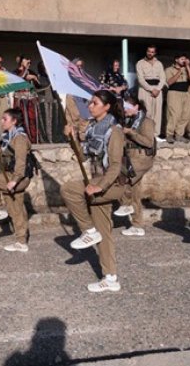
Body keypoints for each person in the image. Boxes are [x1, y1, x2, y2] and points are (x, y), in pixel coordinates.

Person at [61, 89, 129, 293]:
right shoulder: (92, 128)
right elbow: (83, 157)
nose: (90, 106)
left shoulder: (114, 130)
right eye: (90, 102)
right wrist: (72, 139)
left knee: (69, 190)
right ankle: (110, 278)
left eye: (95, 103)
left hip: (112, 183)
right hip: (96, 180)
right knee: (104, 233)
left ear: (107, 107)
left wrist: (100, 186)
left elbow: (116, 165)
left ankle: (88, 230)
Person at [0, 108, 34, 252]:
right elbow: (3, 156)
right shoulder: (8, 136)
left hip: (19, 177)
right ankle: (21, 242)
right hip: (11, 175)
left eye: (5, 119)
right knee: (16, 209)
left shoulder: (20, 138)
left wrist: (15, 180)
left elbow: (21, 162)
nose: (1, 121)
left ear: (14, 121)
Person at [112, 93, 157, 236]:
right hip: (131, 158)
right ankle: (137, 225)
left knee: (121, 178)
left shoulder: (146, 122)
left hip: (142, 159)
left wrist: (131, 133)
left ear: (136, 106)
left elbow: (148, 142)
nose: (125, 110)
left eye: (127, 107)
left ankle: (126, 205)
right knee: (135, 191)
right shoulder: (129, 121)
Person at [136, 45, 165, 137]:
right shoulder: (140, 63)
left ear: (155, 53)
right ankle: (145, 134)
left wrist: (158, 89)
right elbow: (140, 79)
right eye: (149, 51)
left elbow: (163, 78)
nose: (150, 53)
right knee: (147, 112)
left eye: (152, 52)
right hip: (145, 90)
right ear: (146, 51)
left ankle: (155, 135)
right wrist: (151, 89)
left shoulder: (159, 64)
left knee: (157, 113)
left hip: (158, 90)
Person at [13, 55, 42, 143]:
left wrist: (34, 78)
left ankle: (34, 139)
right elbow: (17, 80)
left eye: (29, 62)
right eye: (26, 61)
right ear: (21, 62)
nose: (28, 63)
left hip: (31, 100)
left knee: (33, 119)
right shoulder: (15, 72)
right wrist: (25, 71)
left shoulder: (31, 72)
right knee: (22, 119)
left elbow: (38, 85)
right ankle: (22, 140)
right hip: (20, 100)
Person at [164, 53, 190, 143]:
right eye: (182, 59)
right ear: (176, 60)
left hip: (185, 93)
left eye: (185, 59)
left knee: (185, 115)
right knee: (174, 115)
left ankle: (179, 135)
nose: (184, 61)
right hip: (174, 92)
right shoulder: (169, 69)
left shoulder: (187, 69)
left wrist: (187, 67)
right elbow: (169, 82)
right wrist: (180, 71)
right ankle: (169, 134)